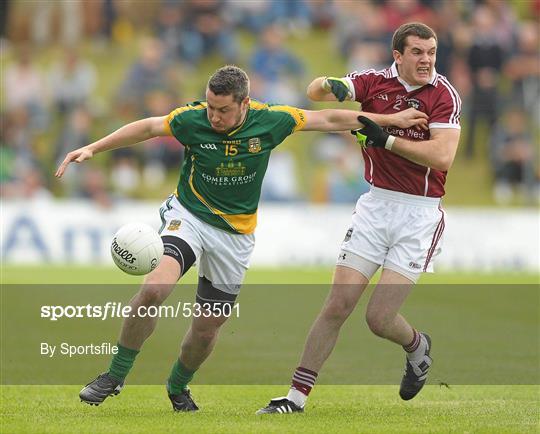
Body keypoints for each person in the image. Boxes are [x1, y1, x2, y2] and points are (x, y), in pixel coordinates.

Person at [55, 65, 428, 412]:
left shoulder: (271, 120)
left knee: (206, 329)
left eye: (222, 110)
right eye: (210, 106)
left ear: (244, 104)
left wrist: (387, 120)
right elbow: (150, 127)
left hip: (235, 237)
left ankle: (177, 386)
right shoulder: (192, 119)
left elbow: (329, 117)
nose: (213, 116)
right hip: (189, 216)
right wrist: (93, 147)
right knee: (154, 289)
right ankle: (115, 375)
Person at [257, 22, 461, 414]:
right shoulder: (372, 81)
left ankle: (417, 345)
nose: (426, 60)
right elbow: (315, 91)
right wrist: (331, 85)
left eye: (431, 52)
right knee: (337, 305)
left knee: (379, 319)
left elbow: (442, 157)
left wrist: (385, 139)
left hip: (419, 214)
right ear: (397, 56)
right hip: (375, 206)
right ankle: (295, 398)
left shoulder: (443, 94)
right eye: (417, 52)